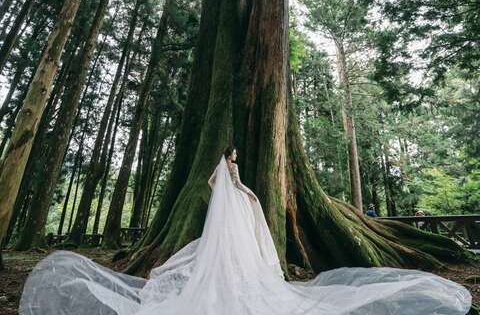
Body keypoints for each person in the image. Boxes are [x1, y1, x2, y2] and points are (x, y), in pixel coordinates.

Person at [19, 147, 472, 315]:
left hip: (241, 246)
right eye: (233, 162)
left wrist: (234, 178)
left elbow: (233, 197)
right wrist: (231, 175)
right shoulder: (238, 194)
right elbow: (223, 189)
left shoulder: (240, 193)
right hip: (241, 248)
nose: (234, 165)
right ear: (229, 165)